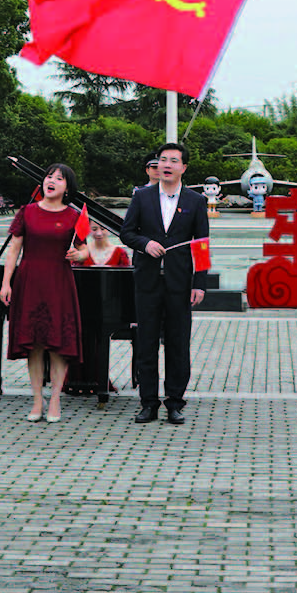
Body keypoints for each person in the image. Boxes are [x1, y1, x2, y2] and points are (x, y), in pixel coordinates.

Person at [119, 143, 208, 425]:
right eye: (162, 160)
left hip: (180, 284)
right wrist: (146, 244)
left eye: (173, 161)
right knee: (146, 344)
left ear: (183, 167)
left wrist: (199, 283)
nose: (166, 165)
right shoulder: (142, 197)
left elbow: (201, 246)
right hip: (147, 283)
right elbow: (127, 233)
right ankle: (148, 403)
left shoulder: (195, 201)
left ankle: (174, 402)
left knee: (178, 344)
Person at [0, 163, 85, 423]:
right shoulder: (27, 212)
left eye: (59, 179)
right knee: (34, 344)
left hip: (59, 282)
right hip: (29, 281)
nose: (52, 181)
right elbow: (13, 250)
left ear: (67, 188)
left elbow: (85, 251)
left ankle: (55, 399)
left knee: (58, 344)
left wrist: (78, 254)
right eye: (49, 177)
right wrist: (6, 283)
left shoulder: (74, 216)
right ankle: (37, 400)